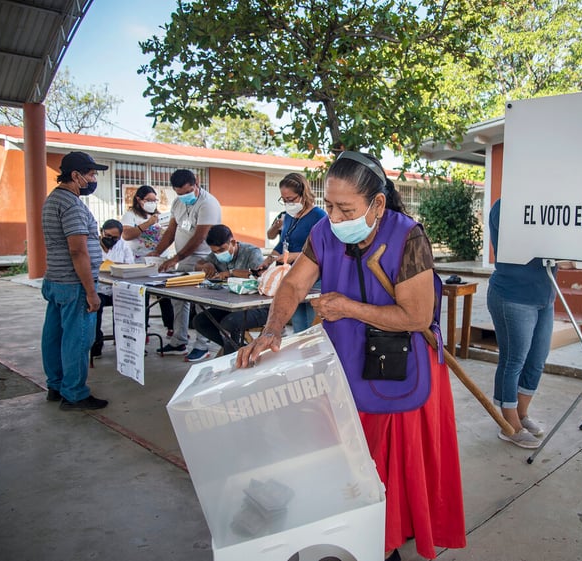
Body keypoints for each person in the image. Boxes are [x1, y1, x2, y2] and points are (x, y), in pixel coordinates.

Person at [237, 152, 465, 561]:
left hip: (400, 366)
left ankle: (386, 541)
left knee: (391, 470)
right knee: (348, 461)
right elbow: (291, 286)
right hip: (344, 362)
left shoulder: (408, 236)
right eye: (330, 206)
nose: (337, 218)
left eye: (347, 209)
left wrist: (347, 307)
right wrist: (271, 331)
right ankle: (364, 534)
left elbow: (415, 316)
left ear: (377, 204)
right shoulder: (323, 232)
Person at [487, 198, 573, 449]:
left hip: (543, 296)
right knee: (514, 360)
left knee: (537, 359)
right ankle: (509, 425)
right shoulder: (505, 207)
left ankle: (522, 415)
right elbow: (524, 247)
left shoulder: (548, 203)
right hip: (512, 296)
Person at [40, 151, 109, 411]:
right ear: (76, 176)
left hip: (56, 280)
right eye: (90, 174)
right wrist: (91, 292)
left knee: (55, 336)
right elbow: (77, 250)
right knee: (78, 339)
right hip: (74, 283)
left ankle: (56, 385)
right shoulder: (70, 204)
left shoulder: (54, 199)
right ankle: (75, 393)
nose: (93, 179)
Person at [149, 169, 222, 362]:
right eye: (179, 193)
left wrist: (175, 258)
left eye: (187, 192)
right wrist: (157, 252)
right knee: (179, 300)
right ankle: (179, 340)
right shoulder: (177, 202)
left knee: (201, 303)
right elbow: (171, 230)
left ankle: (202, 345)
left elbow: (200, 237)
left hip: (203, 261)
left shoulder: (208, 204)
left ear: (196, 183)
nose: (183, 196)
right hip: (181, 259)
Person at [255, 172, 326, 332]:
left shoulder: (319, 216)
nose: (287, 203)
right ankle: (301, 355)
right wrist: (269, 259)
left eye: (291, 199)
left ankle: (311, 356)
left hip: (313, 279)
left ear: (304, 194)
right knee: (298, 324)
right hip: (291, 276)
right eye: (284, 200)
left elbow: (323, 249)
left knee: (310, 327)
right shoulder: (288, 216)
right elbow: (283, 243)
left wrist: (293, 256)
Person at [193, 225, 269, 355]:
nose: (218, 254)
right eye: (215, 252)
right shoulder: (215, 255)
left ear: (233, 242)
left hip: (258, 306)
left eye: (221, 250)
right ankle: (238, 350)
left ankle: (233, 355)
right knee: (201, 321)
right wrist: (207, 264)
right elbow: (197, 265)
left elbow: (260, 273)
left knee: (229, 323)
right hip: (232, 305)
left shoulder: (251, 252)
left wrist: (231, 273)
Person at [120, 184, 174, 335]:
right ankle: (143, 329)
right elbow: (126, 235)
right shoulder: (130, 215)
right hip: (139, 263)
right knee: (143, 296)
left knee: (165, 296)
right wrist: (148, 224)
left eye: (155, 200)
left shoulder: (159, 215)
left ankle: (171, 326)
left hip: (159, 261)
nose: (152, 203)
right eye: (149, 200)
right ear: (139, 199)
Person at [91, 219, 134, 357]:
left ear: (120, 236)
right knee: (95, 310)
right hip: (99, 289)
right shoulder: (92, 246)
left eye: (114, 237)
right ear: (102, 232)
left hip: (118, 289)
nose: (110, 239)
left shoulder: (124, 246)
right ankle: (96, 343)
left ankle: (125, 343)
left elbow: (130, 266)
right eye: (107, 236)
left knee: (133, 306)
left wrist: (113, 265)